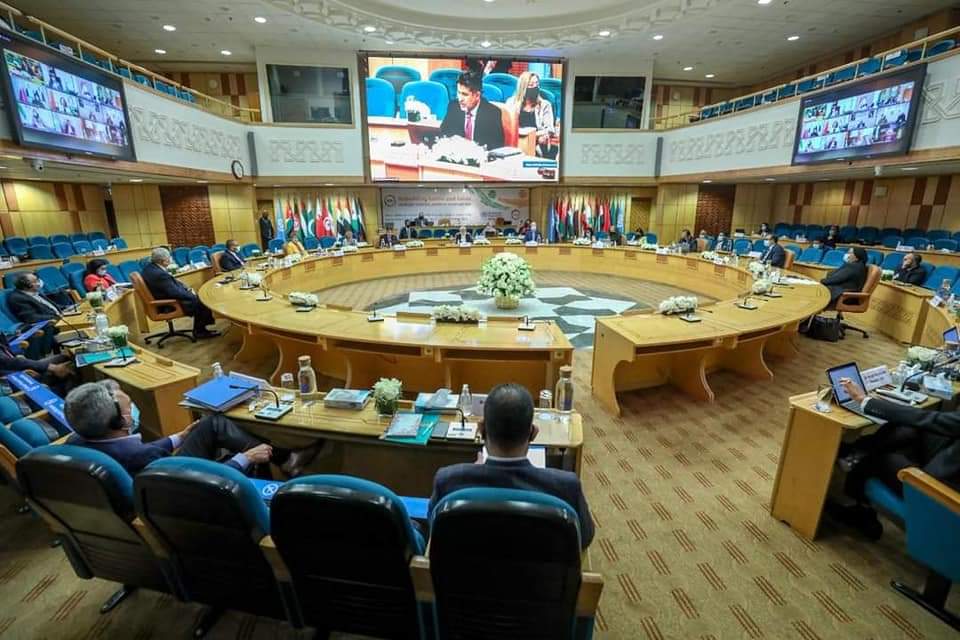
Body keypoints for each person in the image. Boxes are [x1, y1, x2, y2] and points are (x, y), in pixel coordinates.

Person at [428, 383, 594, 549]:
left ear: (481, 429)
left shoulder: (448, 480)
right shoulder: (567, 486)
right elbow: (584, 538)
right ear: (533, 432)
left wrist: (472, 473)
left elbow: (434, 529)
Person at [64, 380, 315, 476]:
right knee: (250, 459)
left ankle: (285, 459)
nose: (134, 409)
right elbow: (197, 485)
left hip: (162, 477)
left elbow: (133, 452)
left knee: (211, 424)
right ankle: (276, 470)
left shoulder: (77, 440)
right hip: (184, 487)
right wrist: (244, 458)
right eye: (130, 407)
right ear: (121, 422)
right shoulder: (144, 457)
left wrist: (178, 437)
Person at [831, 377, 960, 538]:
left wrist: (864, 400)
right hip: (949, 455)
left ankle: (858, 507)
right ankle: (855, 452)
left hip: (941, 492)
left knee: (883, 459)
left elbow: (932, 419)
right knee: (906, 428)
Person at [141, 248, 219, 339]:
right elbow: (174, 292)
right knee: (201, 301)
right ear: (164, 261)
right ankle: (200, 332)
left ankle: (201, 329)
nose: (171, 259)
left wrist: (186, 289)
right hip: (167, 304)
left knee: (198, 299)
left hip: (163, 297)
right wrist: (191, 295)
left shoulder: (150, 268)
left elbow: (170, 286)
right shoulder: (159, 274)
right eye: (169, 257)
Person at [439, 70, 505, 151]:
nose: (460, 99)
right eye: (458, 93)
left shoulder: (492, 113)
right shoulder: (454, 107)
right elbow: (443, 135)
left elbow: (496, 147)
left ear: (477, 95)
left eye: (465, 94)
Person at [505, 72, 556, 158]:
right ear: (523, 87)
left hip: (536, 142)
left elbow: (550, 129)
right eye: (531, 85)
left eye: (537, 84)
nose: (535, 87)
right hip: (515, 142)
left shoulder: (545, 105)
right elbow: (506, 126)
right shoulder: (511, 102)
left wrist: (531, 135)